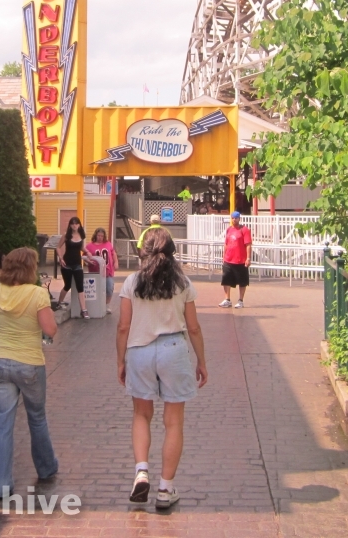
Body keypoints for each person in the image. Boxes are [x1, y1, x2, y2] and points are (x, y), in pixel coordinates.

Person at [117, 228, 208, 510]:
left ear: (143, 250)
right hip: (174, 351)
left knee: (141, 415)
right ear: (172, 252)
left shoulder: (132, 281)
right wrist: (201, 361)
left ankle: (141, 470)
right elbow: (193, 327)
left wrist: (121, 360)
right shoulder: (182, 283)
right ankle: (166, 489)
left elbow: (123, 327)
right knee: (173, 422)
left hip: (140, 352)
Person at [0, 247, 58, 497]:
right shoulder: (38, 294)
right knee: (36, 417)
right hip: (29, 362)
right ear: (30, 268)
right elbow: (50, 329)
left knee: (3, 423)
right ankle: (46, 467)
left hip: (0, 363)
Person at [56, 217, 93, 318]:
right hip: (66, 263)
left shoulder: (81, 235)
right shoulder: (66, 236)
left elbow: (80, 247)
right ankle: (59, 302)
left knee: (80, 287)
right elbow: (58, 247)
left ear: (79, 225)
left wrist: (87, 251)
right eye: (72, 224)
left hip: (77, 263)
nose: (74, 225)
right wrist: (60, 258)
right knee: (67, 285)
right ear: (70, 225)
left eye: (76, 223)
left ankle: (84, 310)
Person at [218, 211, 252, 308]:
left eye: (236, 218)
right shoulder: (229, 230)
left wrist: (248, 258)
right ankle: (227, 300)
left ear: (239, 218)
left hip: (240, 261)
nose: (234, 220)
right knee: (226, 280)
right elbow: (226, 244)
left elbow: (248, 245)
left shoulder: (244, 230)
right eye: (232, 218)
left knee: (242, 281)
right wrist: (224, 257)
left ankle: (240, 300)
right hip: (229, 260)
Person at [86, 227, 119, 306]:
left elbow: (113, 253)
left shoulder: (108, 244)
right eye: (98, 235)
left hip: (108, 270)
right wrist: (88, 262)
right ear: (95, 235)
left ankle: (106, 305)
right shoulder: (90, 246)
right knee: (97, 289)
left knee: (109, 288)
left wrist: (116, 262)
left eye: (102, 236)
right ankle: (98, 305)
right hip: (95, 272)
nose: (100, 237)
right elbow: (85, 257)